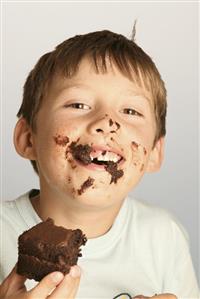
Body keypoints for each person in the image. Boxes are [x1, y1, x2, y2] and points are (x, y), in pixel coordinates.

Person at [0, 29, 199, 299]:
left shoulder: (164, 237)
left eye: (130, 111)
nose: (107, 122)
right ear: (28, 139)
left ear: (154, 152)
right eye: (78, 104)